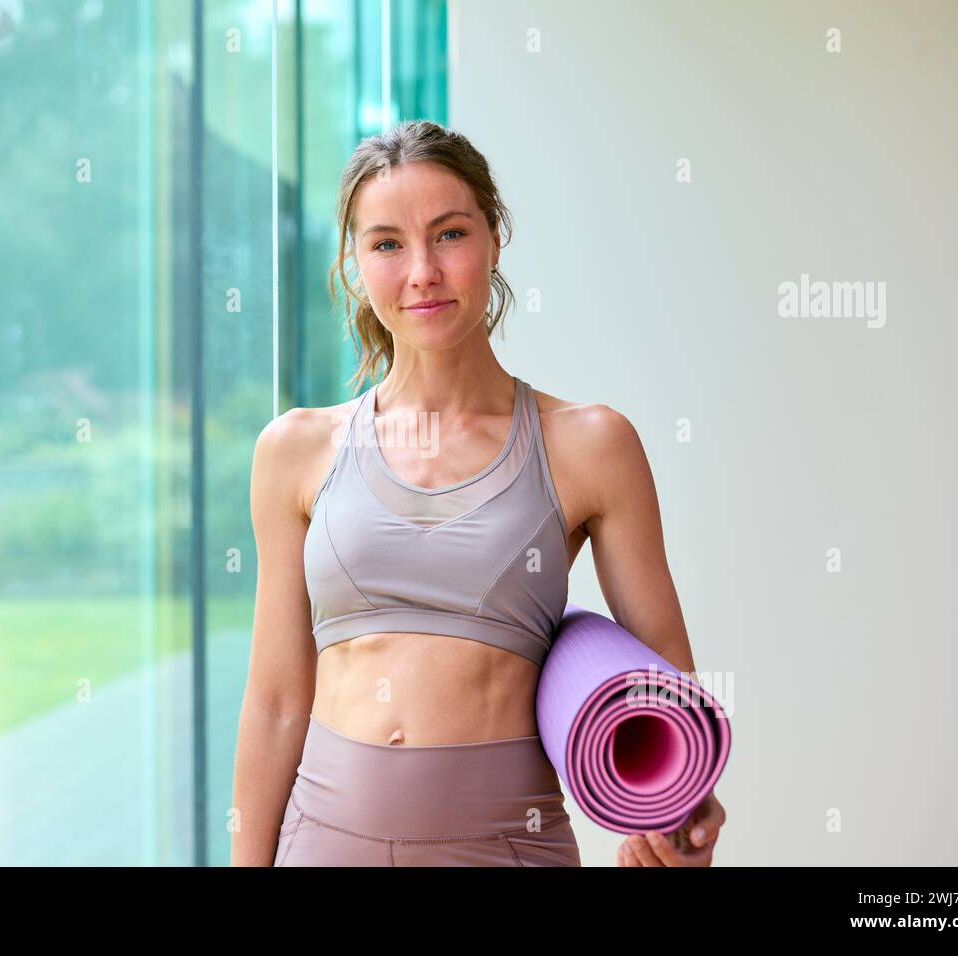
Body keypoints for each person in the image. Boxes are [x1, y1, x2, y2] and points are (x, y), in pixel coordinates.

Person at [232, 120, 726, 866]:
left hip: (507, 848)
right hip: (322, 845)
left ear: (493, 238)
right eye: (388, 243)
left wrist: (679, 824)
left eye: (450, 234)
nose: (423, 271)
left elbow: (666, 682)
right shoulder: (294, 451)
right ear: (354, 263)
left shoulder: (589, 444)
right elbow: (274, 704)